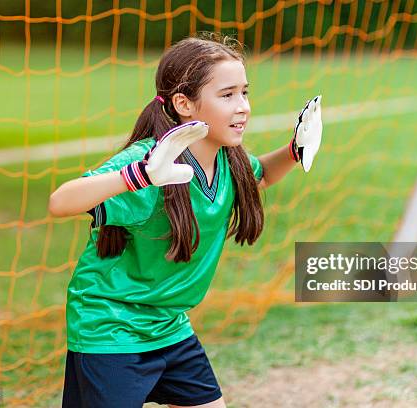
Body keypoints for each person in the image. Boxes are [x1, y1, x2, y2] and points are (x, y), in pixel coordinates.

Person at [48, 32, 322, 408]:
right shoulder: (150, 160)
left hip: (170, 327)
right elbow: (61, 201)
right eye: (227, 95)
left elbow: (261, 175)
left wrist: (295, 150)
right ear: (184, 103)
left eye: (245, 92)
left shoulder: (229, 159)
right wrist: (140, 175)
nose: (242, 106)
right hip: (111, 329)